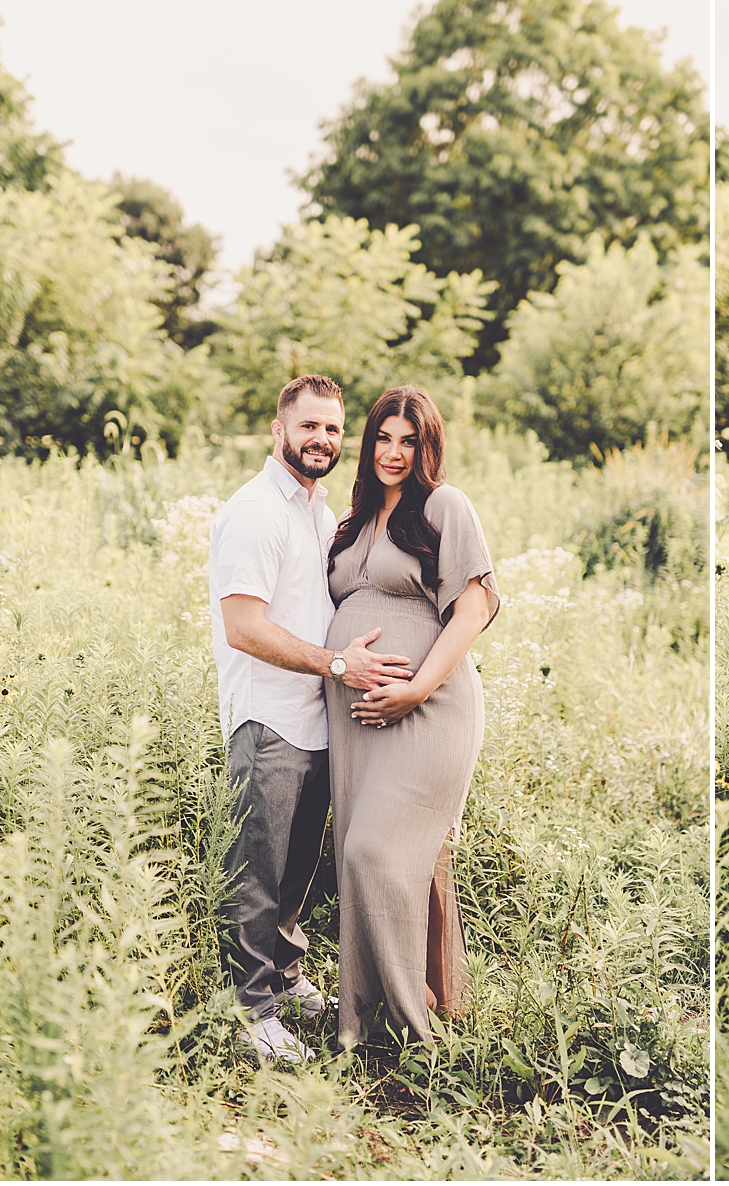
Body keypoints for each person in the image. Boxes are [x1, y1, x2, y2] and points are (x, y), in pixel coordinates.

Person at [209, 374, 414, 1066]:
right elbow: (243, 626)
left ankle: (285, 977)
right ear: (280, 429)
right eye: (308, 426)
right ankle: (251, 1013)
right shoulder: (255, 511)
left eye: (332, 428)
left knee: (296, 871)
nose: (322, 439)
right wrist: (336, 665)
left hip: (320, 723)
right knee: (257, 873)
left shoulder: (319, 511)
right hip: (268, 721)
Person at [324, 385, 499, 1047]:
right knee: (376, 856)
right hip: (359, 718)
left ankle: (409, 1031)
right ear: (366, 445)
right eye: (382, 438)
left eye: (408, 440)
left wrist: (416, 688)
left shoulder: (444, 507)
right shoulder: (356, 518)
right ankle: (391, 1010)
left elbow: (474, 609)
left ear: (427, 448)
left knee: (373, 849)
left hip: (428, 708)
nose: (393, 452)